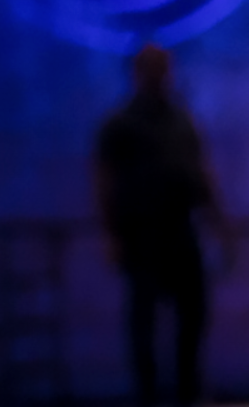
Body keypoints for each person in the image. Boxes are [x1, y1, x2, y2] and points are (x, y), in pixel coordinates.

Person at [96, 44, 230, 407]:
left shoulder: (181, 120)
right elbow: (103, 179)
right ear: (137, 73)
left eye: (164, 68)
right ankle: (148, 396)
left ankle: (188, 391)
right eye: (153, 68)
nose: (160, 76)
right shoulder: (120, 124)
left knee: (193, 313)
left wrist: (219, 225)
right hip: (142, 234)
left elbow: (201, 173)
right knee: (144, 321)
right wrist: (111, 233)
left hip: (180, 229)